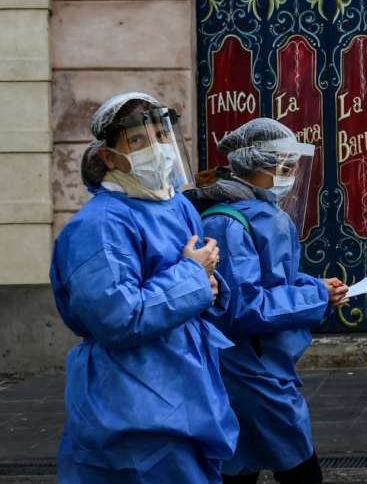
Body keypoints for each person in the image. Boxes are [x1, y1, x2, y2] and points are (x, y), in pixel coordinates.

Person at [51, 92, 238, 483]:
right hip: (133, 399)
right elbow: (117, 316)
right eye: (137, 140)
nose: (157, 148)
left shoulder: (176, 205)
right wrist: (193, 275)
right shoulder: (99, 225)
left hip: (184, 384)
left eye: (161, 134)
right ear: (107, 157)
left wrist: (209, 283)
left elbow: (194, 283)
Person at [187, 118, 348, 484]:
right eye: (284, 166)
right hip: (250, 368)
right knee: (298, 468)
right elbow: (245, 307)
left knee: (241, 465)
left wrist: (316, 287)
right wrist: (315, 296)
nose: (290, 175)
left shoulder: (255, 214)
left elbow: (274, 280)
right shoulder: (229, 222)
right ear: (256, 167)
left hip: (259, 363)